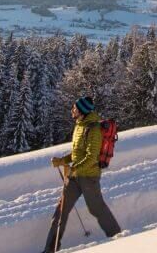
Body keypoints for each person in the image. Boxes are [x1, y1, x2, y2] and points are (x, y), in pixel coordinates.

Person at [44, 96, 122, 253]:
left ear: (82, 111)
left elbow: (91, 157)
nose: (72, 110)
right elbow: (77, 154)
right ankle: (49, 250)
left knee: (96, 209)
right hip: (75, 176)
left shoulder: (93, 129)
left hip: (89, 177)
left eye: (75, 108)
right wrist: (61, 161)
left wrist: (74, 168)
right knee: (61, 211)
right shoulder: (79, 126)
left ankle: (119, 238)